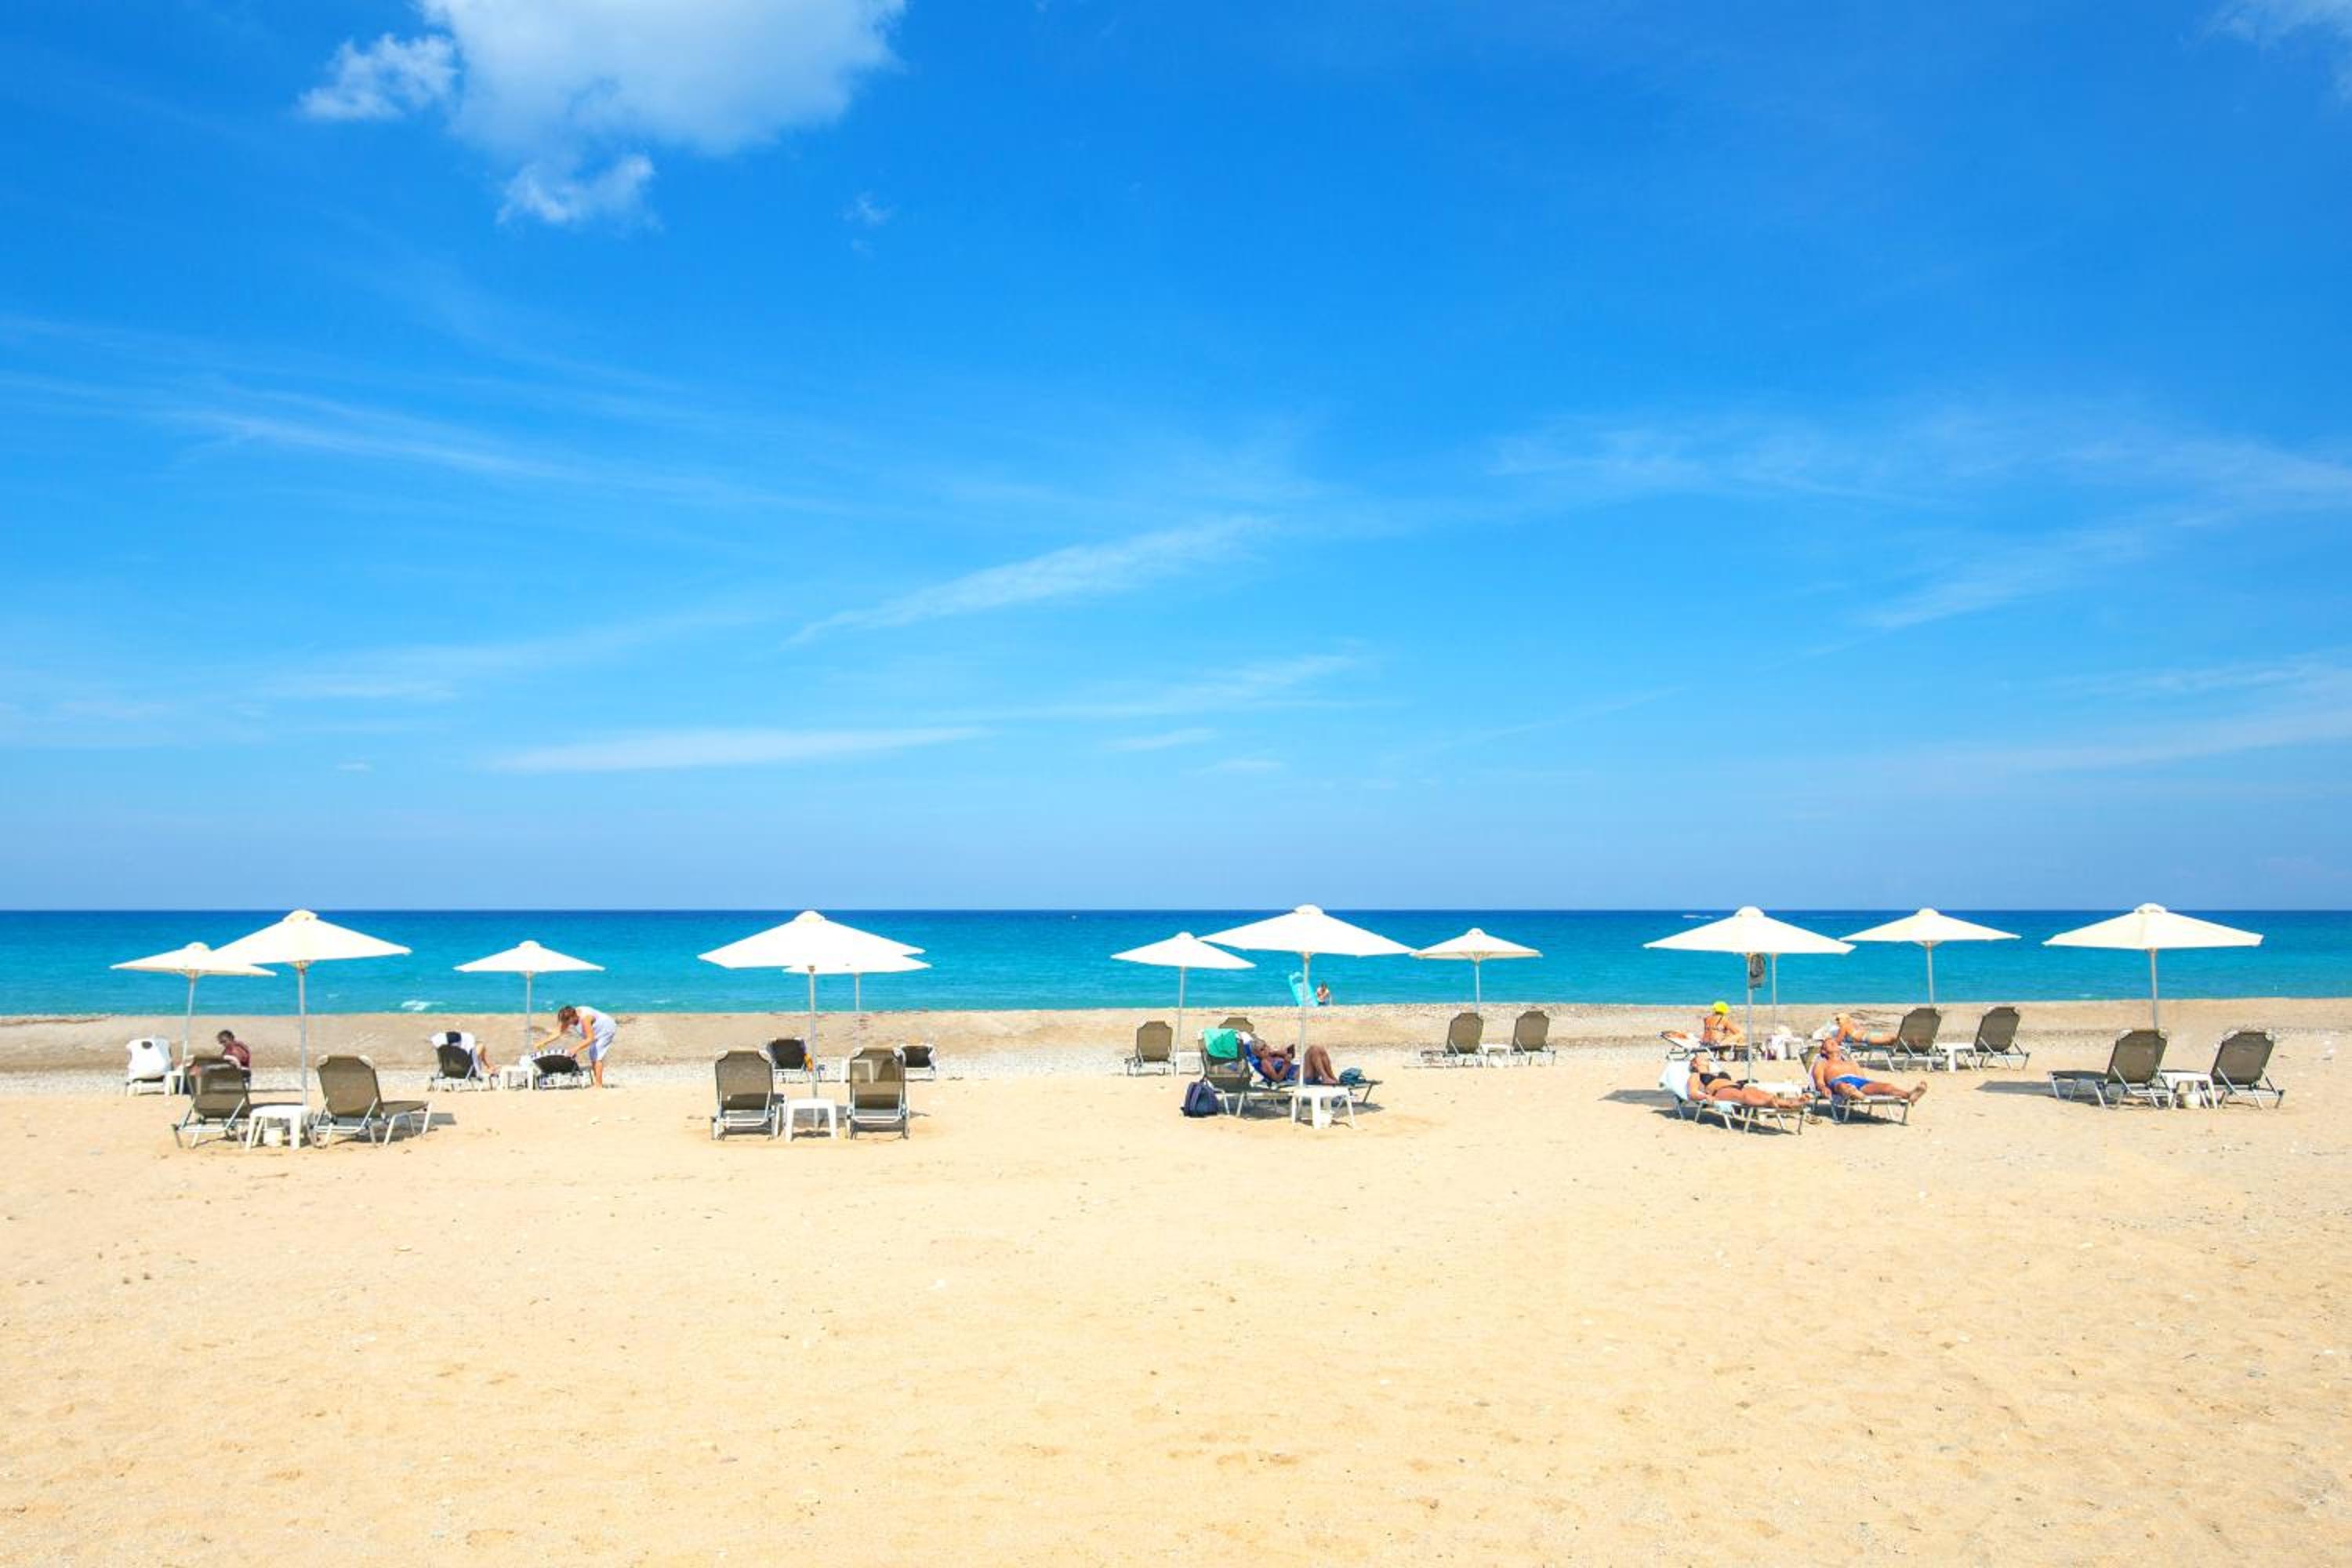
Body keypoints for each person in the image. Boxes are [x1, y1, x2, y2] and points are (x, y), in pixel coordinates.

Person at [1810, 1036, 1927, 1105]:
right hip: (1838, 1082)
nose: (1833, 1042)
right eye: (1829, 1043)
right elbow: (1819, 1081)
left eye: (1834, 1042)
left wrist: (1871, 1087)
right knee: (1843, 1086)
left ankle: (1909, 1095)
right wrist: (1823, 1088)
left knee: (1886, 1087)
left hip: (1859, 1083)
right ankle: (1853, 1093)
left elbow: (1863, 1079)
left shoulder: (1851, 1062)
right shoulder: (1822, 1063)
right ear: (1823, 1051)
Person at [1684, 1049, 1807, 1111]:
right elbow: (1692, 1093)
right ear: (1694, 1064)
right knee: (1744, 1097)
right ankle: (1767, 1103)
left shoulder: (1716, 1071)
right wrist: (1706, 1097)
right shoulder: (1695, 1075)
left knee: (1763, 1093)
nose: (1704, 1057)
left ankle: (1790, 1103)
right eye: (1699, 1058)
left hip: (1737, 1085)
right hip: (1720, 1091)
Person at [536, 1004, 619, 1087]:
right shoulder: (570, 1015)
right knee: (593, 1053)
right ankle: (597, 1083)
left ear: (572, 1017)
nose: (566, 1024)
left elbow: (590, 1038)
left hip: (606, 1028)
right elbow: (559, 1032)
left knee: (596, 1055)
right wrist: (543, 1042)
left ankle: (598, 1085)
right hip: (595, 1030)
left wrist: (576, 1048)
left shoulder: (585, 1019)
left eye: (567, 1022)